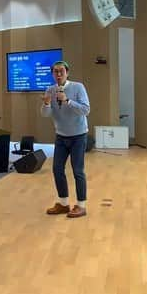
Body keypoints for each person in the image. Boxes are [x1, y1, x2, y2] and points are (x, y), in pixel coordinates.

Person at [40, 60, 91, 219]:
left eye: (61, 71)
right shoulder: (50, 89)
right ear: (53, 74)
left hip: (78, 136)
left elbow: (85, 109)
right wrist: (47, 104)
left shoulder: (78, 87)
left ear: (67, 72)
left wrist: (67, 100)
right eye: (55, 72)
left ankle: (81, 206)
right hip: (61, 136)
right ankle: (63, 204)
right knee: (57, 169)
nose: (59, 74)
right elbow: (45, 114)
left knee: (78, 171)